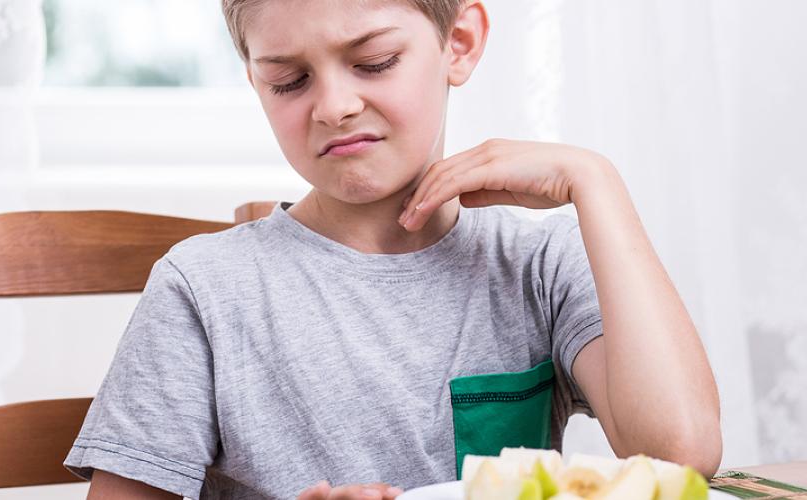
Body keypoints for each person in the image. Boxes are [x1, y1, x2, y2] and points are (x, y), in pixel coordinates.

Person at [63, 1, 723, 499]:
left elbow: (680, 453)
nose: (334, 106)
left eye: (373, 63)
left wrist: (596, 184)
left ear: (458, 44)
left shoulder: (541, 263)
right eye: (289, 81)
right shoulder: (204, 288)